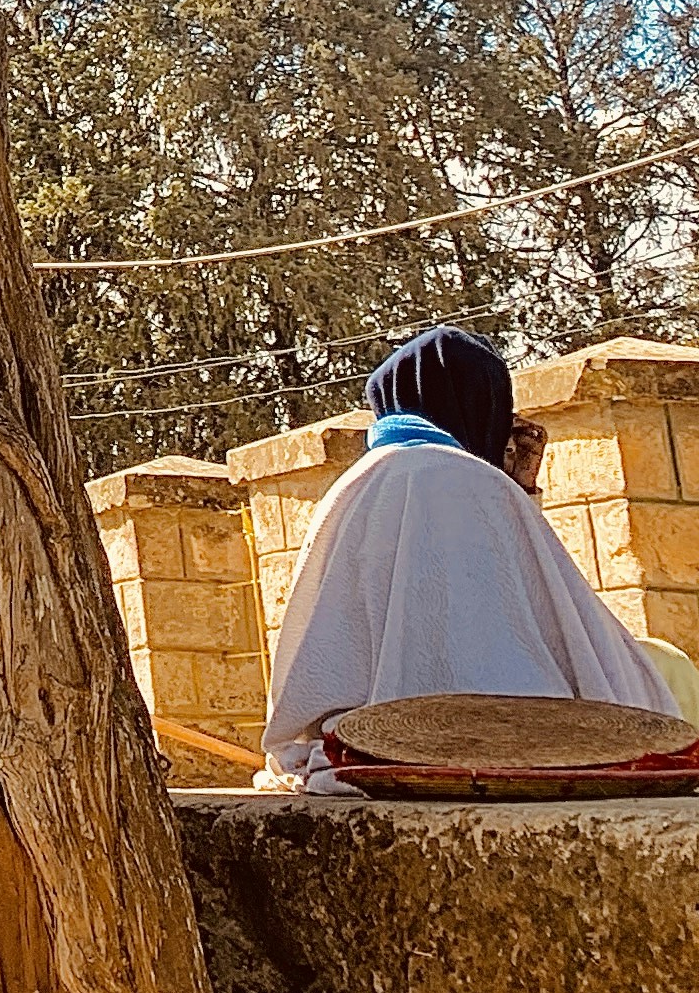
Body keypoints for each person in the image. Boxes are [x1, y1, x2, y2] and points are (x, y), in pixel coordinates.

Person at [260, 324, 688, 783]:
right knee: (664, 675)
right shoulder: (467, 480)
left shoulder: (353, 485)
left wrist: (516, 491)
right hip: (493, 737)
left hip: (357, 739)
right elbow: (553, 634)